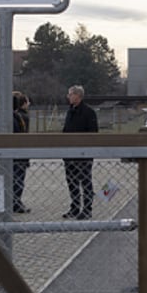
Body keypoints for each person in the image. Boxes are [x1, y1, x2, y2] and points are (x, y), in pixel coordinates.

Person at [62, 85, 98, 220]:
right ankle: (75, 207)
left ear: (78, 96)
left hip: (83, 155)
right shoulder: (70, 111)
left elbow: (93, 133)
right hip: (69, 154)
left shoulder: (89, 112)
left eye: (70, 94)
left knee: (85, 181)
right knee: (72, 182)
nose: (68, 96)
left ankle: (87, 209)